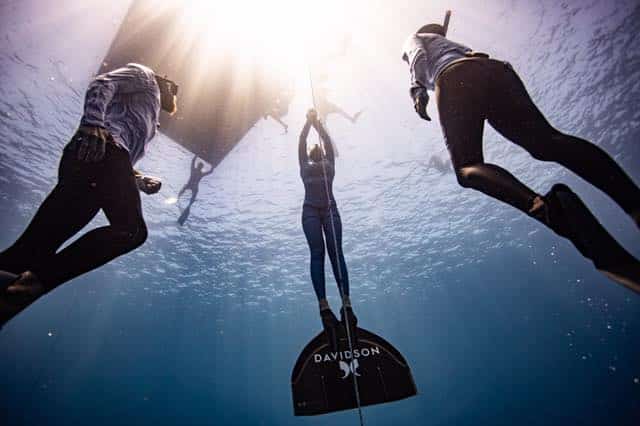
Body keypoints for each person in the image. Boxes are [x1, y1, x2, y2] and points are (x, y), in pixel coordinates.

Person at [401, 20, 640, 291]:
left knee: (467, 168)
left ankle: (545, 208)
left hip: (454, 77)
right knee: (546, 143)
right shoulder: (451, 43)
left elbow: (418, 56)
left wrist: (417, 88)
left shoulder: (414, 37)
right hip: (495, 70)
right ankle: (633, 201)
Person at [0, 63, 179, 322]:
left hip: (99, 159)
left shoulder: (150, 117)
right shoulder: (145, 75)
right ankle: (34, 284)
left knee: (30, 251)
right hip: (102, 150)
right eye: (175, 88)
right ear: (167, 82)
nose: (176, 96)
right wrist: (91, 122)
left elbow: (122, 153)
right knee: (131, 231)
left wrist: (138, 179)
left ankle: (13, 276)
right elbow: (103, 82)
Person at [298, 109, 356, 348]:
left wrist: (317, 124)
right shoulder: (304, 163)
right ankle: (324, 308)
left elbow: (328, 142)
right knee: (318, 255)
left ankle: (346, 305)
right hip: (310, 210)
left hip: (330, 209)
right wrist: (308, 123)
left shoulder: (329, 162)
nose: (317, 149)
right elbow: (302, 142)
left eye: (318, 148)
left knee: (336, 254)